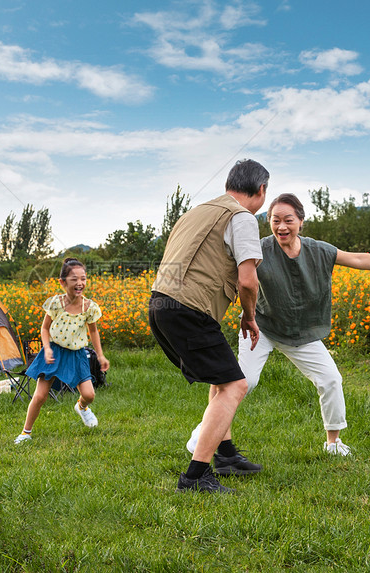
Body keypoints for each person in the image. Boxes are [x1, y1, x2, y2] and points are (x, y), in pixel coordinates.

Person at [186, 193, 370, 458]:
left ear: (301, 222)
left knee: (330, 379)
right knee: (244, 382)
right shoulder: (258, 249)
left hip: (302, 332)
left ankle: (333, 443)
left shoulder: (318, 250)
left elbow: (359, 260)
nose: (282, 226)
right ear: (268, 222)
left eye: (288, 220)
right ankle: (202, 436)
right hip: (262, 328)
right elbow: (232, 274)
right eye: (275, 220)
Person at [149, 158, 268, 494]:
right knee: (236, 387)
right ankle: (195, 476)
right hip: (191, 310)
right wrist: (249, 316)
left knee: (221, 379)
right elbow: (248, 281)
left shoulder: (196, 211)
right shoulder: (241, 217)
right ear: (261, 190)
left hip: (161, 304)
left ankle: (227, 455)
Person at [14, 258, 110, 444]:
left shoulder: (89, 307)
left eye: (83, 278)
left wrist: (100, 355)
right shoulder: (55, 304)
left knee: (89, 395)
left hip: (77, 354)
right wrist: (47, 348)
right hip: (54, 353)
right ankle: (25, 433)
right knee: (40, 396)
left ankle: (81, 408)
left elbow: (93, 331)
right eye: (74, 279)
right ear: (62, 282)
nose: (80, 283)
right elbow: (44, 328)